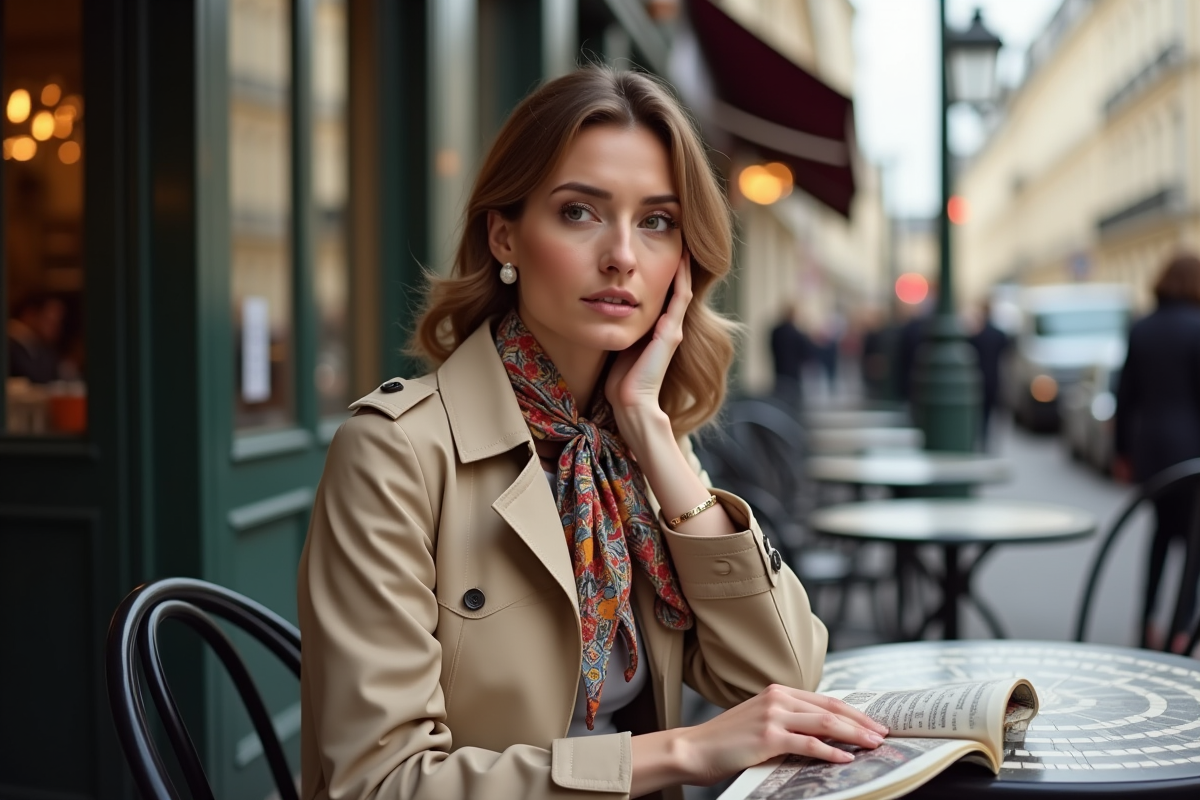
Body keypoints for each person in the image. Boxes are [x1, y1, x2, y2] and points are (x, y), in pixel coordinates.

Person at [297, 67, 888, 800]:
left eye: (657, 221)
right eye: (580, 212)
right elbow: (381, 784)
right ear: (505, 235)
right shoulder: (396, 455)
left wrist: (652, 431)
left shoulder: (635, 450)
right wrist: (682, 752)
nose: (623, 256)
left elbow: (782, 678)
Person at [1115, 252, 1200, 654]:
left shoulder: (1142, 327)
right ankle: (1183, 628)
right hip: (1191, 447)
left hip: (1150, 447)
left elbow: (1125, 395)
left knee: (1161, 534)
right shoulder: (1197, 327)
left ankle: (1147, 620)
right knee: (1194, 541)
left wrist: (1121, 451)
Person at [968, 301, 1009, 450]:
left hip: (980, 378)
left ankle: (982, 438)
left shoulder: (977, 335)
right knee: (991, 412)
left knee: (982, 412)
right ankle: (987, 440)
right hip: (994, 378)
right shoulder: (999, 334)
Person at [7, 292, 65, 383]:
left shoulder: (42, 348)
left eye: (58, 321)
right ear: (30, 315)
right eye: (49, 320)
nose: (55, 327)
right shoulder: (9, 346)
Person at [769, 303, 811, 409]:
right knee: (794, 401)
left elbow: (771, 349)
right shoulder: (797, 334)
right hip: (794, 373)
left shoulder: (776, 331)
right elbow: (806, 353)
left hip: (779, 370)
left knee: (780, 398)